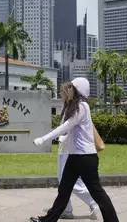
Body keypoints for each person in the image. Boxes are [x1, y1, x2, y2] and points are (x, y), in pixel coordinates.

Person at [30, 77, 119, 222]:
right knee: (63, 191)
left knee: (97, 193)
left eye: (71, 87)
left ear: (79, 90)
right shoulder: (73, 106)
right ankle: (47, 220)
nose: (68, 90)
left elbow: (65, 127)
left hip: (85, 158)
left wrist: (44, 139)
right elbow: (70, 132)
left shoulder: (82, 106)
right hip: (74, 157)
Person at [44, 81, 100, 220]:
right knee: (63, 181)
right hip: (65, 148)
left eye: (65, 91)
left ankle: (92, 201)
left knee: (68, 181)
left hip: (72, 150)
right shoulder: (68, 107)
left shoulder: (77, 107)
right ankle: (67, 209)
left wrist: (51, 137)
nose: (63, 93)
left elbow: (70, 128)